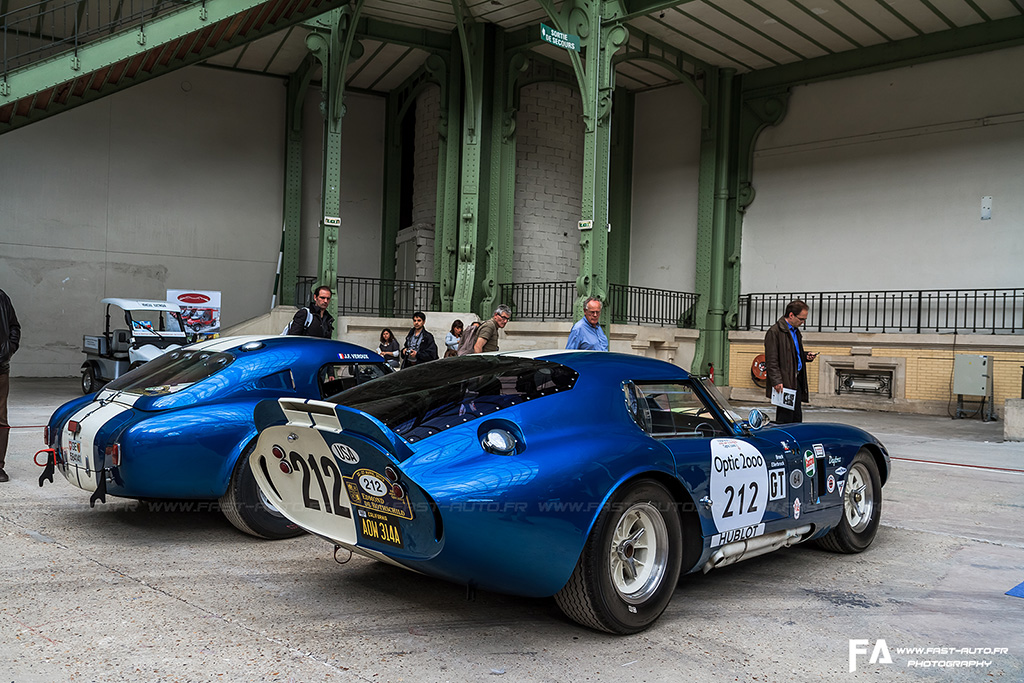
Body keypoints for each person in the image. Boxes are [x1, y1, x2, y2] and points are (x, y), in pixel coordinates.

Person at [764, 299, 817, 424]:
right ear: (791, 315)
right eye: (801, 319)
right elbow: (771, 359)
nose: (803, 322)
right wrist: (777, 381)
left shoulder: (795, 331)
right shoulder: (775, 332)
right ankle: (783, 441)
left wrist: (805, 356)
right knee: (785, 416)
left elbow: (793, 353)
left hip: (796, 378)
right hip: (784, 381)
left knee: (796, 415)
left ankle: (795, 439)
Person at [0, 288, 21, 483]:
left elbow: (15, 326)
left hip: (0, 367)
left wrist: (9, 349)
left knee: (0, 419)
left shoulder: (1, 297)